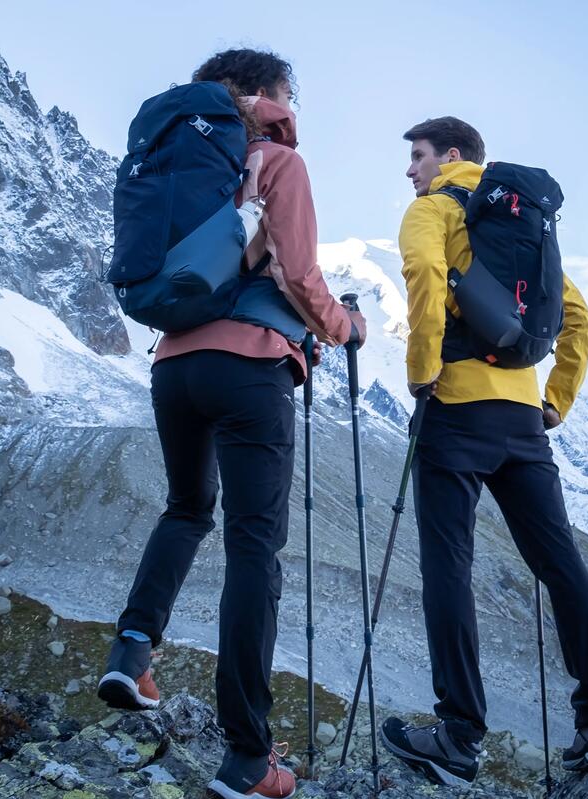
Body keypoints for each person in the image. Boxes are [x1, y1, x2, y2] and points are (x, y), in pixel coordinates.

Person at [97, 49, 364, 799]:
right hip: (249, 369)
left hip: (173, 366)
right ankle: (248, 757)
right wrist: (346, 327)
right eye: (288, 94)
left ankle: (131, 649)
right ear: (267, 95)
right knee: (255, 548)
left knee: (187, 507)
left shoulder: (177, 156)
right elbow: (297, 274)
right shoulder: (277, 161)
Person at [378, 116, 588, 786]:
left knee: (448, 565)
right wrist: (555, 399)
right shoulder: (521, 228)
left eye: (418, 156)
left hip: (455, 407)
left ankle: (458, 736)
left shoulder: (432, 212)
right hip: (522, 418)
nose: (411, 170)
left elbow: (427, 274)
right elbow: (578, 317)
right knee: (559, 560)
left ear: (449, 155)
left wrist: (422, 370)